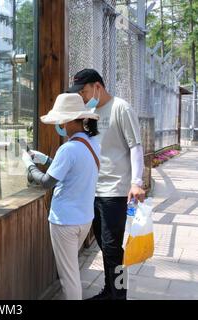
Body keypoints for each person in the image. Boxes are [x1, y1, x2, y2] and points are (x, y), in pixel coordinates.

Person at [67, 69, 146, 300]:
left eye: (83, 91)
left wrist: (136, 182)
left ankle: (119, 295)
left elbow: (135, 146)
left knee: (113, 249)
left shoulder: (121, 108)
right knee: (104, 246)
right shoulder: (89, 111)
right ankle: (110, 290)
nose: (81, 96)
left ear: (97, 87)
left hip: (115, 191)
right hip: (93, 189)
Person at [21, 93, 100, 300]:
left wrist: (29, 165)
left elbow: (47, 182)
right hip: (84, 218)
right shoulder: (93, 144)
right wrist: (45, 159)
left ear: (66, 121)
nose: (60, 125)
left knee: (69, 277)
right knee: (72, 269)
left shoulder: (68, 148)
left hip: (65, 222)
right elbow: (70, 170)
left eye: (61, 121)